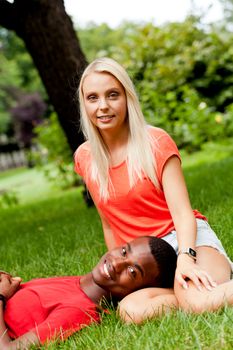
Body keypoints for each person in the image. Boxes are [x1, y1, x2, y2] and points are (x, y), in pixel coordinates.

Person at [74, 57, 233, 323]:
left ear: (127, 98)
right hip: (142, 262)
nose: (103, 106)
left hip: (183, 240)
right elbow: (110, 225)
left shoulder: (155, 142)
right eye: (93, 98)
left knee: (197, 300)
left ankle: (198, 291)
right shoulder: (85, 156)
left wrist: (186, 257)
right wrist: (120, 284)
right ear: (84, 103)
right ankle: (195, 293)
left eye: (112, 95)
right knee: (130, 312)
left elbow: (183, 214)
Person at [0, 236, 177, 349]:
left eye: (132, 272)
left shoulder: (78, 311)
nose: (116, 263)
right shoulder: (76, 283)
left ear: (138, 291)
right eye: (124, 251)